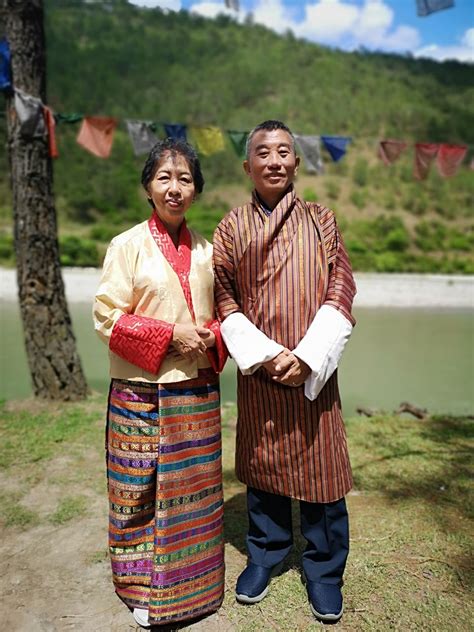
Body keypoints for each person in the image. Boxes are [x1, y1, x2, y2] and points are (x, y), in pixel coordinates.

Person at [213, 120, 356, 623]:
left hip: (313, 368)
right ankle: (266, 553)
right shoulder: (231, 227)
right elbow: (224, 296)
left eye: (283, 152)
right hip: (261, 369)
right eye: (262, 152)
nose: (274, 160)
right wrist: (266, 355)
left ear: (296, 163)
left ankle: (323, 569)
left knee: (322, 469)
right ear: (247, 165)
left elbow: (341, 289)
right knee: (264, 461)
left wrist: (309, 356)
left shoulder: (322, 220)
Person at [93, 139, 227, 629]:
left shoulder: (209, 252)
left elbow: (222, 320)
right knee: (139, 490)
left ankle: (197, 588)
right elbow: (108, 318)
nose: (175, 187)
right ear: (148, 187)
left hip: (195, 391)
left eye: (185, 178)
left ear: (196, 190)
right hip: (140, 393)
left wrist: (208, 337)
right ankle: (139, 589)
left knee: (192, 490)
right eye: (165, 177)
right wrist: (171, 334)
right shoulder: (126, 246)